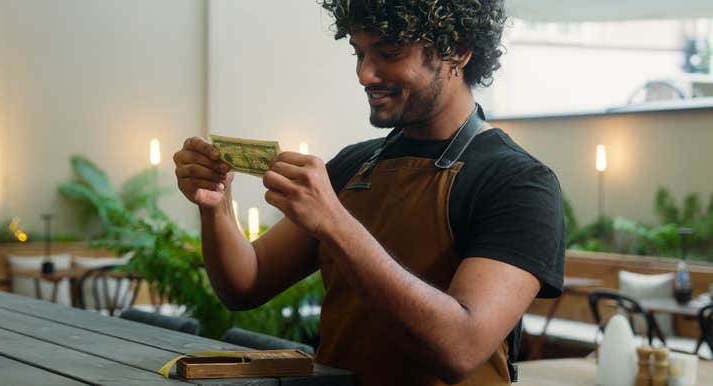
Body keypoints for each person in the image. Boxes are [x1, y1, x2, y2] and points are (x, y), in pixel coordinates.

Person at [173, 1, 565, 385]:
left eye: (389, 52)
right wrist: (216, 205)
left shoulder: (520, 183)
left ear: (458, 51)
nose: (365, 73)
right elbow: (246, 284)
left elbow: (459, 348)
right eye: (359, 53)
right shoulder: (352, 165)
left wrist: (335, 223)